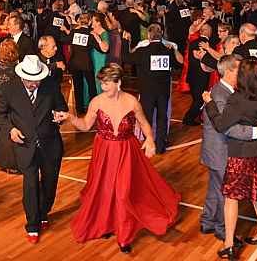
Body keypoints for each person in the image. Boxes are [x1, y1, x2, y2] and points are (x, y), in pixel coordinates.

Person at [62, 63, 180, 253]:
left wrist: (150, 139)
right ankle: (106, 225)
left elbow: (143, 123)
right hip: (104, 151)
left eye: (107, 83)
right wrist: (69, 117)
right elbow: (84, 126)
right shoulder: (97, 102)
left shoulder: (132, 101)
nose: (103, 87)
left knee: (123, 192)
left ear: (118, 82)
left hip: (126, 151)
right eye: (102, 83)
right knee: (105, 189)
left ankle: (124, 236)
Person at [202, 57, 257, 259]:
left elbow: (221, 125)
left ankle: (229, 243)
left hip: (242, 154)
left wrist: (209, 103)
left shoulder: (238, 100)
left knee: (231, 197)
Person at [0, 55, 69, 244]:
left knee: (50, 184)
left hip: (50, 144)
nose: (33, 84)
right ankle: (32, 225)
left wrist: (60, 116)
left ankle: (43, 212)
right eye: (29, 80)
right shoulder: (9, 88)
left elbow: (62, 107)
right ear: (22, 76)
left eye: (36, 80)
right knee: (31, 184)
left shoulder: (50, 86)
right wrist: (10, 129)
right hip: (24, 145)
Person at [124, 24, 183, 153]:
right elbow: (180, 64)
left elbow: (126, 57)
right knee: (162, 117)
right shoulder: (168, 50)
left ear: (149, 36)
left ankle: (148, 144)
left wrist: (125, 42)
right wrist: (174, 50)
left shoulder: (142, 51)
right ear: (161, 35)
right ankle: (161, 147)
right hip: (163, 91)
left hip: (147, 91)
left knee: (147, 118)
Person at [59, 14, 108, 114]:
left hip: (74, 64)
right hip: (86, 64)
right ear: (89, 22)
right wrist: (99, 39)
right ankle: (94, 109)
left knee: (77, 87)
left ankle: (79, 110)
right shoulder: (90, 34)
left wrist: (63, 30)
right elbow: (103, 50)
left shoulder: (74, 32)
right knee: (91, 86)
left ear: (79, 21)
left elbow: (64, 39)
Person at [0, 39, 21, 172]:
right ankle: (7, 163)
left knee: (6, 131)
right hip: (12, 102)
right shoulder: (17, 69)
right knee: (10, 131)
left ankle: (0, 161)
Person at [183, 23, 213, 126]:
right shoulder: (208, 44)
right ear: (207, 32)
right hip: (202, 77)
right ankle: (188, 119)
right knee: (199, 100)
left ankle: (194, 117)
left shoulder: (193, 42)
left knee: (197, 99)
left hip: (191, 76)